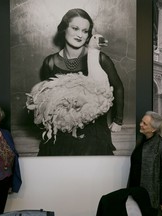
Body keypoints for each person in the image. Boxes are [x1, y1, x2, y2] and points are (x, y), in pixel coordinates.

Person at [37, 8, 124, 156]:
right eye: (75, 28)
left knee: (89, 146)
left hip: (93, 126)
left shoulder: (100, 59)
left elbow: (118, 87)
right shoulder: (50, 62)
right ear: (64, 28)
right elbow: (47, 98)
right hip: (62, 126)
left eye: (85, 31)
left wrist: (118, 120)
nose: (80, 35)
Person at [128, 111, 162, 216]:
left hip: (152, 197)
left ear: (153, 129)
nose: (140, 124)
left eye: (145, 123)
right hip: (135, 192)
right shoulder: (141, 141)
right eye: (141, 121)